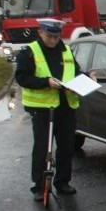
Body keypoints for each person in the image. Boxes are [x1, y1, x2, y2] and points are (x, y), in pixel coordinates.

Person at [15, 18, 88, 201]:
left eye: (56, 36)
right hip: (42, 108)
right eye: (49, 36)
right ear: (40, 32)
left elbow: (75, 71)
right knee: (42, 148)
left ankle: (62, 182)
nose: (53, 40)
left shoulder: (66, 50)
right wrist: (45, 83)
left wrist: (86, 78)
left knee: (66, 147)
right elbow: (22, 78)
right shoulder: (30, 52)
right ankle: (39, 186)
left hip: (66, 106)